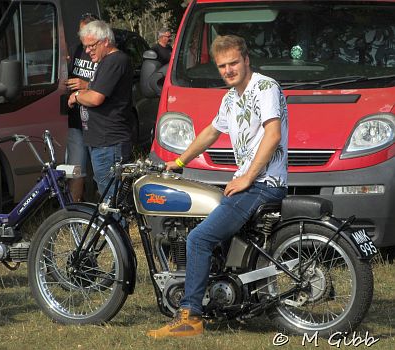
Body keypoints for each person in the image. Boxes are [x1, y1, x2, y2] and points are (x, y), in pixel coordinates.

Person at [147, 35, 289, 339]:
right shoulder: (230, 98)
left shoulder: (265, 87)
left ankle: (190, 317)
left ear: (247, 59)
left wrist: (249, 176)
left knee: (198, 240)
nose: (228, 70)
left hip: (262, 184)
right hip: (252, 183)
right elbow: (212, 132)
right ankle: (227, 302)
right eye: (223, 66)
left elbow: (273, 134)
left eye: (234, 63)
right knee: (214, 228)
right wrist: (181, 161)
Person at [67, 20, 134, 198]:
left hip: (109, 143)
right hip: (102, 142)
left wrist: (77, 96)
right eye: (85, 47)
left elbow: (96, 97)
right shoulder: (107, 62)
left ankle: (116, 226)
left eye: (91, 46)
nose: (87, 51)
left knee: (111, 199)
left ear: (105, 41)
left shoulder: (115, 60)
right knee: (108, 195)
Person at [65, 13, 99, 202]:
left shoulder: (104, 55)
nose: (81, 34)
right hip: (76, 121)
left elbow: (106, 86)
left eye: (85, 30)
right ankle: (74, 212)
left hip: (97, 123)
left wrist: (85, 84)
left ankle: (98, 210)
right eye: (81, 30)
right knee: (75, 169)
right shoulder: (75, 50)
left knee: (100, 172)